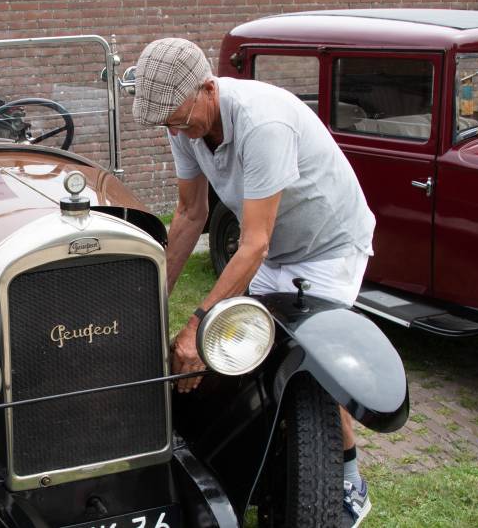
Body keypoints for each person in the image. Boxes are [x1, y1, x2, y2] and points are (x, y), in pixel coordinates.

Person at [131, 38, 377, 527]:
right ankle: (269, 459)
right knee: (248, 352)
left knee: (313, 368)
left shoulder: (263, 122)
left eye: (181, 119)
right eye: (168, 124)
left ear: (207, 88)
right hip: (276, 247)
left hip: (327, 246)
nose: (176, 130)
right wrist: (147, 303)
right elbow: (188, 213)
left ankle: (349, 480)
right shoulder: (182, 122)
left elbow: (254, 242)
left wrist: (196, 326)